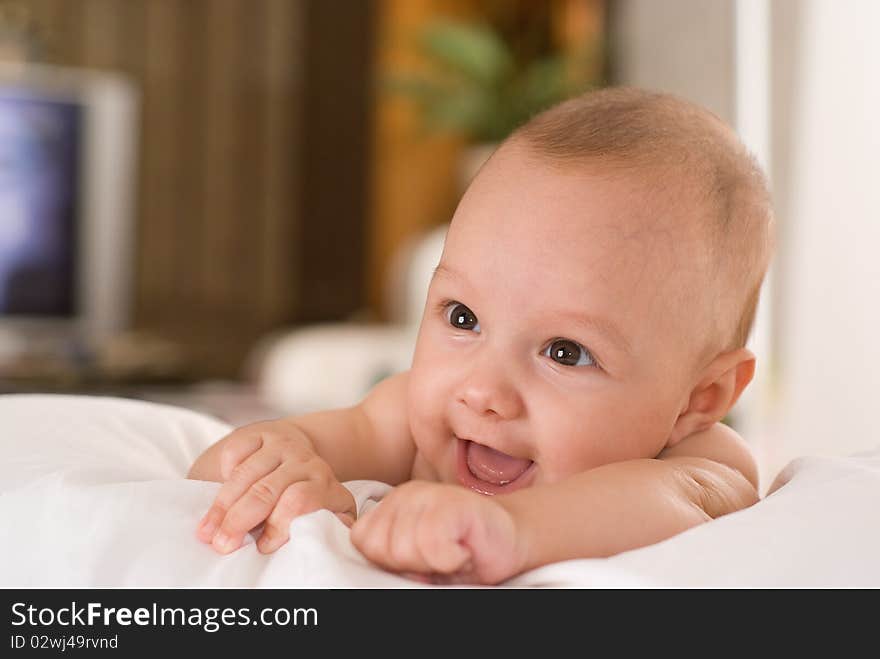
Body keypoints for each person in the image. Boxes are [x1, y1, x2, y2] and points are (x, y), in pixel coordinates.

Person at [188, 87, 774, 585]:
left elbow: (668, 506)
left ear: (701, 399)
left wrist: (514, 532)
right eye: (463, 317)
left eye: (564, 352)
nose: (484, 391)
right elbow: (224, 468)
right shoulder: (410, 417)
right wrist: (279, 468)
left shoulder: (702, 465)